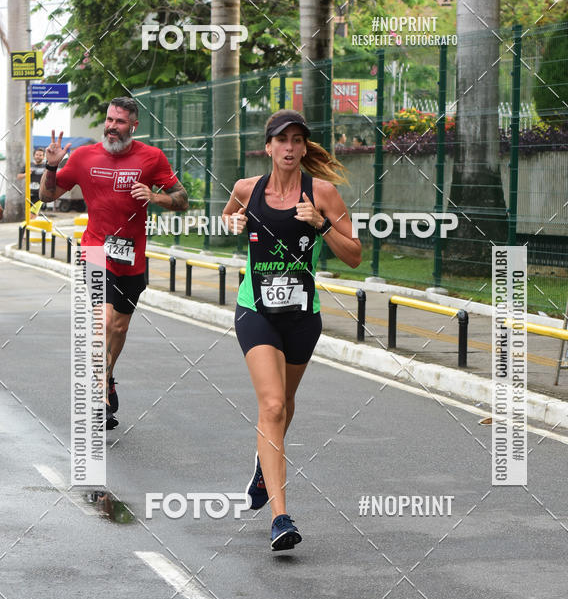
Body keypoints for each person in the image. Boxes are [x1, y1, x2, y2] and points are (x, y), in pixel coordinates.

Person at [224, 109, 361, 551]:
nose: (289, 148)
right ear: (268, 147)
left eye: (297, 140)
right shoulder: (248, 189)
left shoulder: (322, 194)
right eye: (282, 140)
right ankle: (281, 517)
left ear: (304, 148)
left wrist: (320, 226)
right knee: (273, 403)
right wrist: (234, 223)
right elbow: (228, 215)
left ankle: (265, 468)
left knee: (287, 403)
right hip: (256, 309)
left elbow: (355, 254)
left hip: (303, 316)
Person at [39, 96, 188, 429]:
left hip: (131, 258)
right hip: (94, 250)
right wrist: (51, 166)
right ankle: (98, 395)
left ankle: (106, 376)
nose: (112, 126)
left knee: (118, 327)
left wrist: (156, 197)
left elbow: (182, 199)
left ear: (133, 125)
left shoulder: (152, 158)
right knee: (101, 323)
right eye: (109, 119)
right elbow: (47, 197)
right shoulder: (83, 157)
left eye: (120, 121)